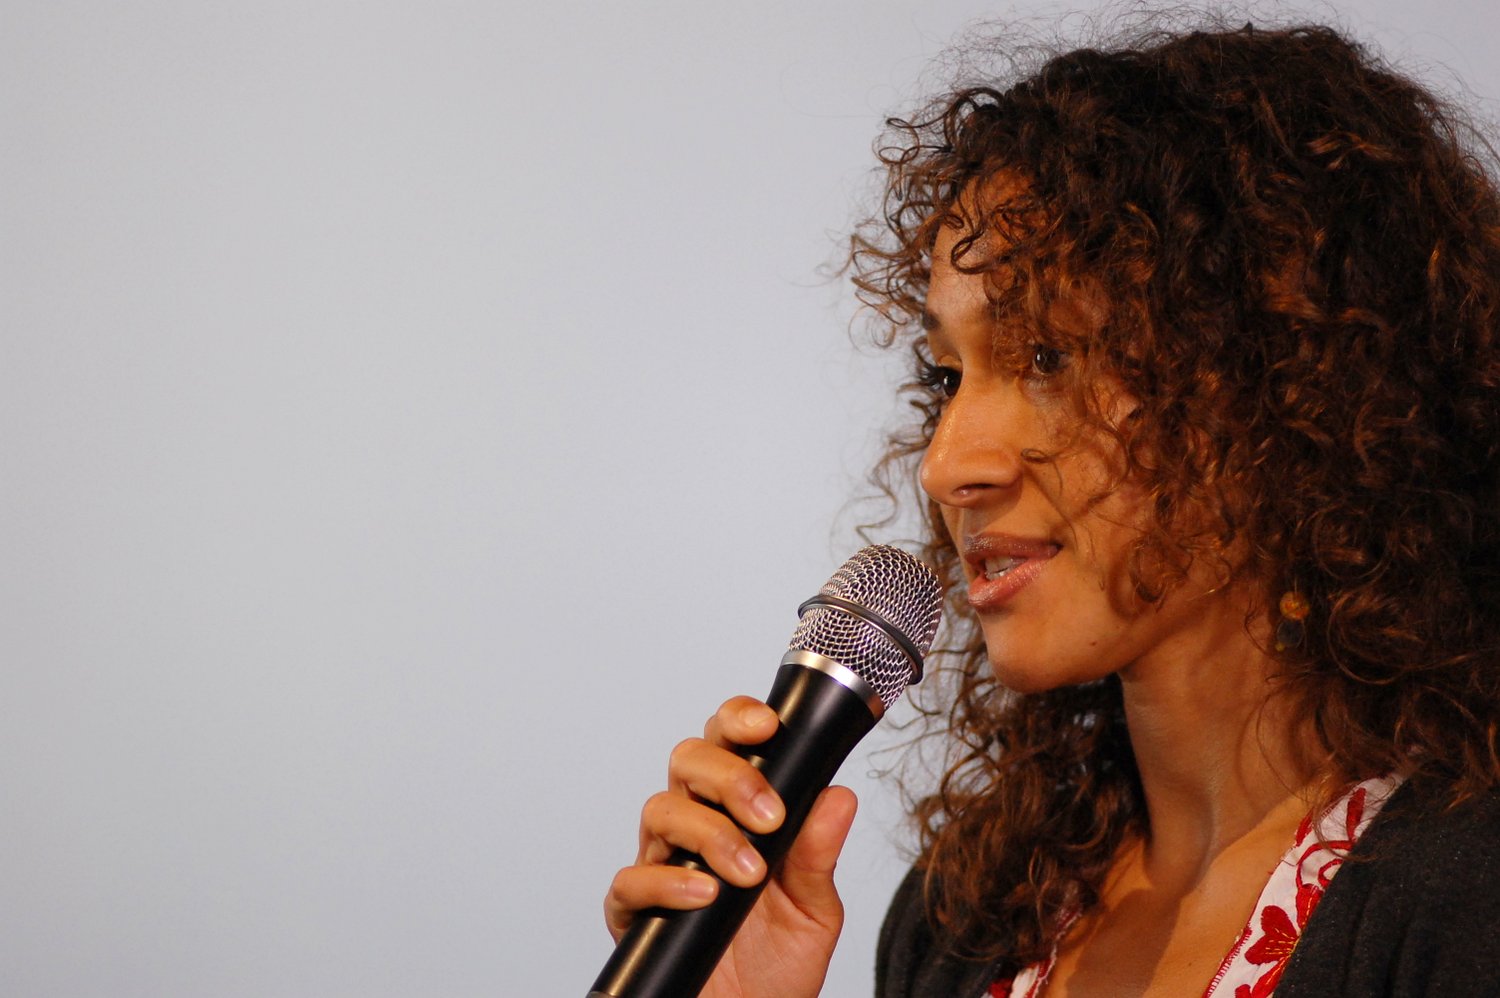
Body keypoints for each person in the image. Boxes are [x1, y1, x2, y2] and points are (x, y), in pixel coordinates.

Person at [603, 16, 1500, 997]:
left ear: (1287, 383)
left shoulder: (1465, 897)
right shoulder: (966, 920)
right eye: (948, 376)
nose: (946, 466)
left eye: (1047, 355)